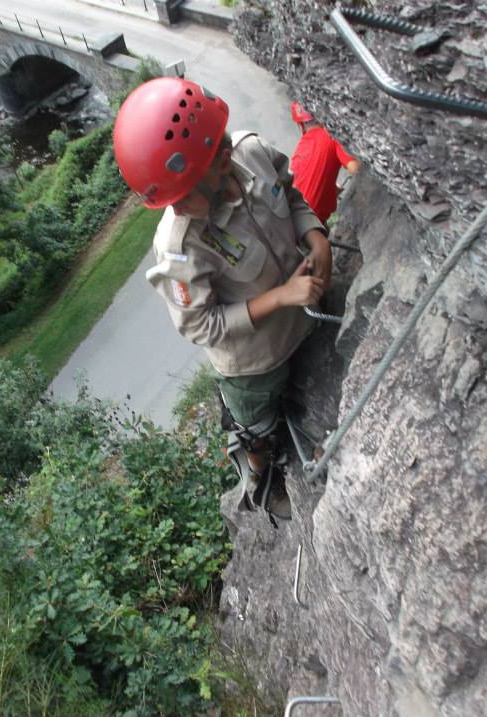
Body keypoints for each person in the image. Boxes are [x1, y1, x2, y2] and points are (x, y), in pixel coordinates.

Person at [112, 77, 331, 522]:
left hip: (305, 313)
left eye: (182, 195)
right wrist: (281, 297)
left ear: (223, 161)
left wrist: (316, 237)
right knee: (257, 428)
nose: (176, 208)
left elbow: (289, 193)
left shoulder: (254, 153)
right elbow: (200, 325)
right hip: (254, 361)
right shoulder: (180, 245)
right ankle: (260, 483)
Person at [289, 101, 360, 224]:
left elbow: (306, 180)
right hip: (314, 222)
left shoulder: (301, 148)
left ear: (301, 125)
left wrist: (331, 190)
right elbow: (356, 169)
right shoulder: (331, 135)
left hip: (293, 218)